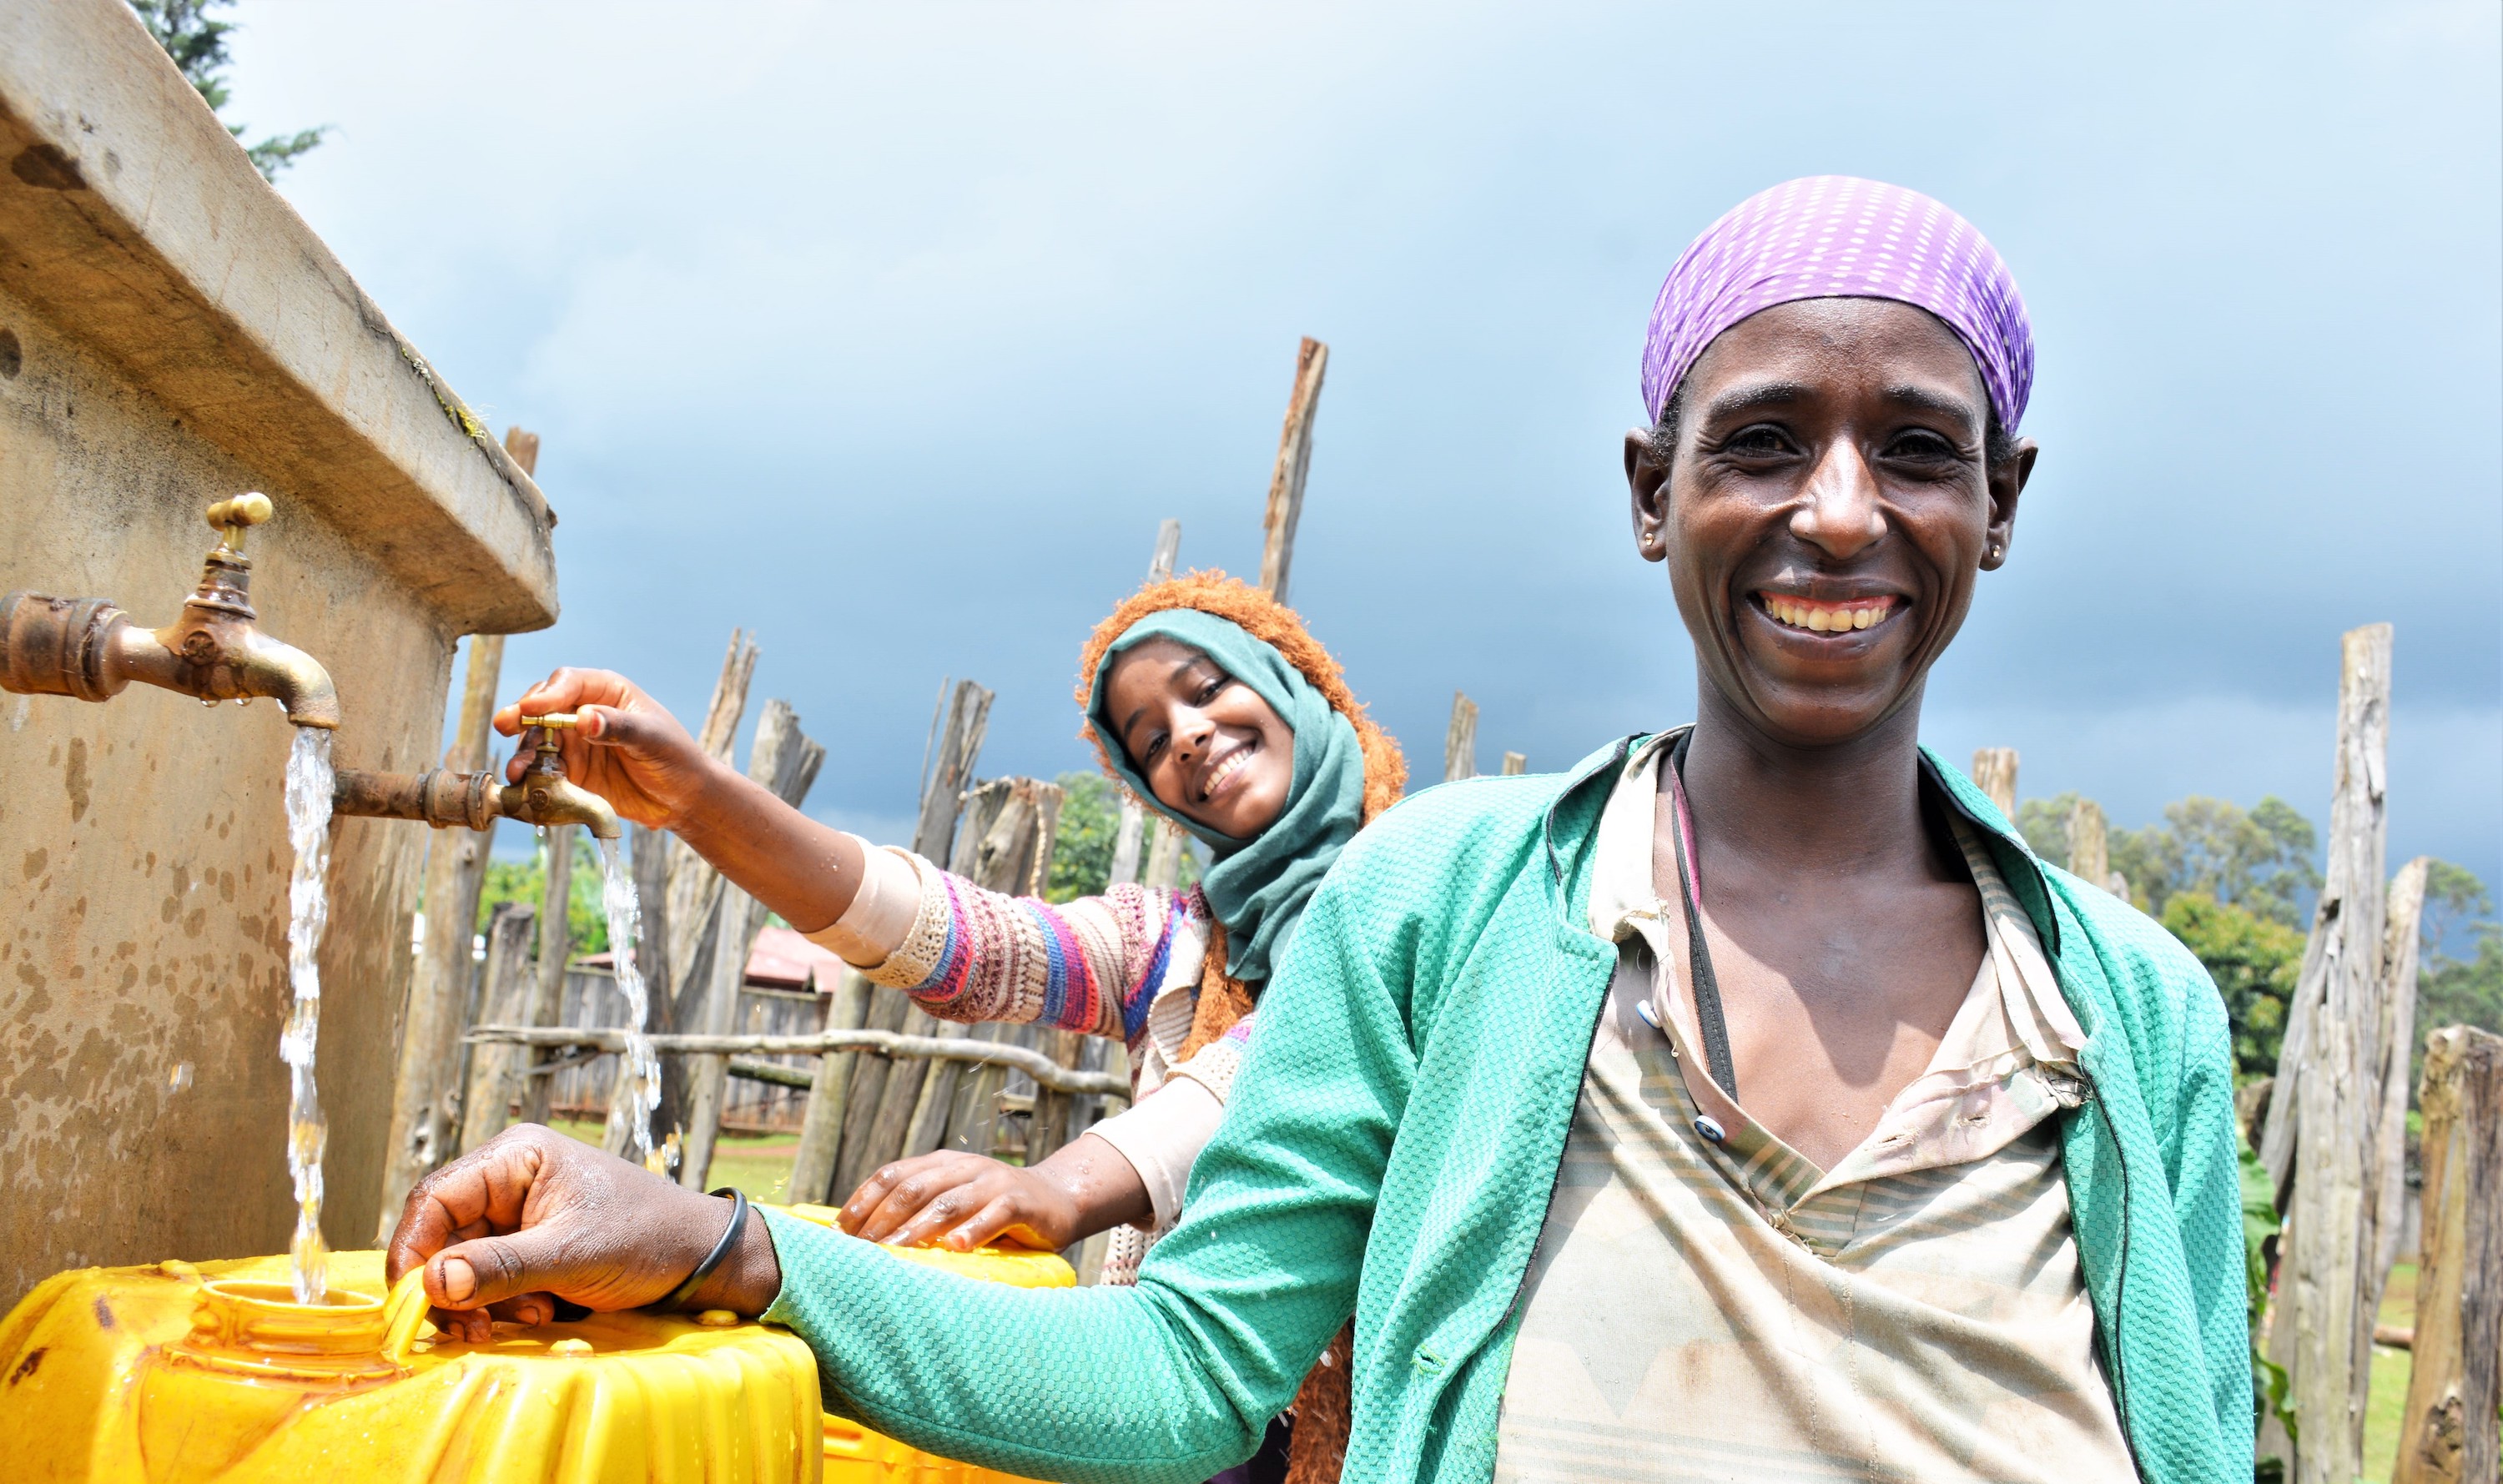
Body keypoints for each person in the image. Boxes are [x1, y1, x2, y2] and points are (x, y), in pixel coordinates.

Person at [389, 178, 2249, 1484]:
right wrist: (722, 1240)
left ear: (1998, 505)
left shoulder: (2131, 1008)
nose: (1839, 513)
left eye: (1917, 450)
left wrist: (1072, 1182)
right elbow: (1182, 1349)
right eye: (1761, 442)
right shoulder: (1450, 901)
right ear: (1649, 493)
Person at [442, 572, 1403, 1482]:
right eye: (1148, 740)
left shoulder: (1432, 903)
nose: (1185, 738)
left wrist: (1061, 1187)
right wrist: (695, 794)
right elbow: (968, 946)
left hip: (1394, 1421)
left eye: (1206, 690)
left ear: (1297, 683)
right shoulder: (1183, 947)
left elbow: (1278, 1063)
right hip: (1186, 1417)